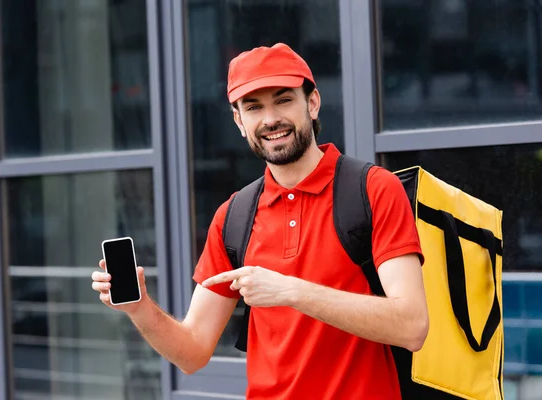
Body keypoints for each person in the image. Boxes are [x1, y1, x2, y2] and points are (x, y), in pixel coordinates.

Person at [91, 42, 429, 399]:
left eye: (283, 100)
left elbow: (412, 326)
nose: (270, 120)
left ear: (312, 103)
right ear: (239, 121)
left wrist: (291, 291)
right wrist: (140, 308)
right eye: (254, 107)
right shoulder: (234, 216)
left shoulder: (374, 189)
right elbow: (192, 352)